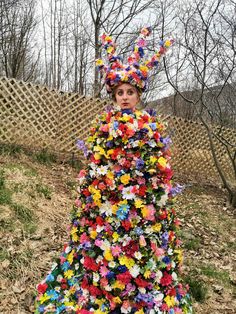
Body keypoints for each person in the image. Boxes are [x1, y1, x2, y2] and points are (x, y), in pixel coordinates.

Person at [35, 27, 192, 313]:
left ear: (139, 94)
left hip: (140, 210)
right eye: (119, 92)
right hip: (105, 205)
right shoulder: (103, 125)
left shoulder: (150, 127)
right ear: (113, 95)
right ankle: (97, 283)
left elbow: (158, 168)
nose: (124, 97)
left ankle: (142, 289)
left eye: (130, 92)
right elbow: (95, 163)